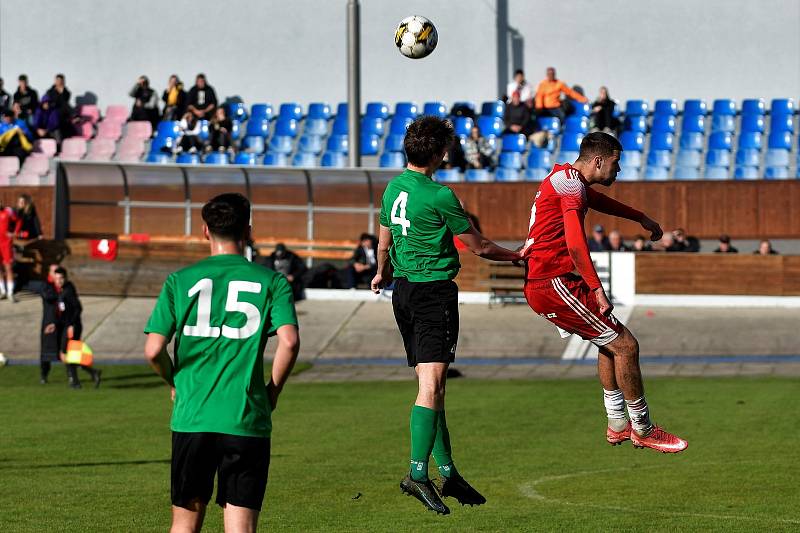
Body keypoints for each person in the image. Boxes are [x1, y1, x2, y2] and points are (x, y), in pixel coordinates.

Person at [370, 116, 521, 515]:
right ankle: (418, 474)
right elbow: (480, 246)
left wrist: (381, 271)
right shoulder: (439, 195)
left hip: (402, 291)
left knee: (430, 387)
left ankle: (449, 472)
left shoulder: (393, 187)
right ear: (441, 152)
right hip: (432, 293)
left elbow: (384, 237)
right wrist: (517, 256)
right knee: (432, 385)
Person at [521, 131, 688, 454]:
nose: (619, 170)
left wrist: (640, 217)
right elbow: (574, 242)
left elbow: (596, 201)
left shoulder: (567, 179)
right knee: (627, 346)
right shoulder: (570, 185)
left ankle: (617, 424)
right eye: (616, 163)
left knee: (608, 342)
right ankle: (643, 428)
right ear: (598, 161)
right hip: (553, 281)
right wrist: (597, 289)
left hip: (548, 280)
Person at [144, 193, 300, 532]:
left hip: (192, 417)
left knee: (184, 526)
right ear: (247, 230)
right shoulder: (271, 281)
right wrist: (272, 391)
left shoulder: (179, 281)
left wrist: (175, 383)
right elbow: (289, 341)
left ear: (204, 231)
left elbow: (154, 349)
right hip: (245, 416)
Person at [42, 267, 100, 388]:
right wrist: (54, 324)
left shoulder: (69, 290)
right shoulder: (59, 291)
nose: (59, 281)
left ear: (65, 278)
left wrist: (71, 325)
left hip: (72, 327)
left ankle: (75, 381)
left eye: (61, 278)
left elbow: (78, 308)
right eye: (56, 278)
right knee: (68, 354)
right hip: (65, 326)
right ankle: (91, 373)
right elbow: (63, 313)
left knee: (67, 353)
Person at [0, 199, 20, 301]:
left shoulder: (7, 212)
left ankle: (10, 293)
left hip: (6, 244)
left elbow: (18, 221)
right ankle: (3, 291)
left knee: (8, 268)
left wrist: (14, 233)